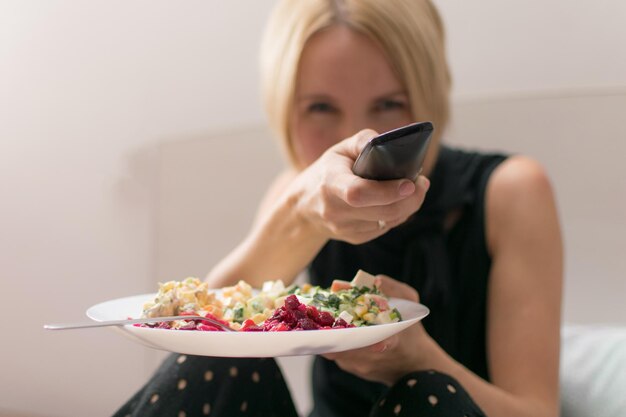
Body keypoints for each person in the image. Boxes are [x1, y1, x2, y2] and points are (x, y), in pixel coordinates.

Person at [113, 1, 563, 416]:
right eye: (321, 107)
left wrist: (417, 360)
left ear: (429, 95)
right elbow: (199, 328)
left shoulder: (511, 191)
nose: (356, 138)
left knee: (428, 392)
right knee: (215, 363)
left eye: (389, 104)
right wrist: (299, 217)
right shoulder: (296, 191)